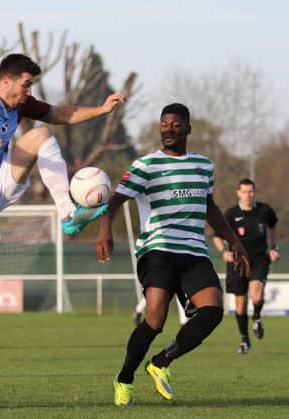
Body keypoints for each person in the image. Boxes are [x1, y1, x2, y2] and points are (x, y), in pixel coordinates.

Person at [0, 53, 125, 341]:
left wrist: (101, 109)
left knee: (42, 134)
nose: (28, 92)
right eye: (25, 85)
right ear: (5, 81)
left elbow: (60, 114)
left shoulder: (19, 102)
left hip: (2, 177)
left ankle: (68, 214)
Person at [96, 103, 250, 406]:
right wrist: (105, 230)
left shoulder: (203, 166)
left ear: (188, 129)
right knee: (154, 319)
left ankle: (161, 363)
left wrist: (235, 242)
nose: (168, 129)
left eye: (176, 125)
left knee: (213, 312)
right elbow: (113, 202)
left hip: (193, 250)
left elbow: (211, 208)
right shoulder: (145, 166)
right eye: (164, 124)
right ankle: (124, 379)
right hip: (158, 249)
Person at [212, 178, 280, 354]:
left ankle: (256, 317)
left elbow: (273, 227)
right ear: (238, 193)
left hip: (258, 259)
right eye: (244, 192)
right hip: (237, 262)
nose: (248, 195)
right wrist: (223, 252)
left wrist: (274, 247)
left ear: (254, 192)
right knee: (240, 305)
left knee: (256, 296)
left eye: (251, 192)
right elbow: (217, 235)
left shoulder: (265, 211)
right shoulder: (230, 214)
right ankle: (244, 340)